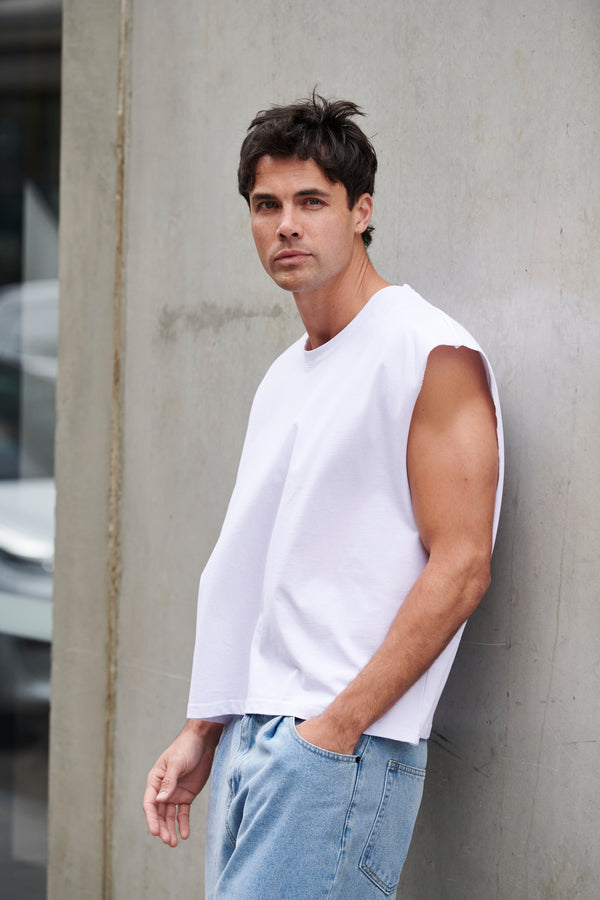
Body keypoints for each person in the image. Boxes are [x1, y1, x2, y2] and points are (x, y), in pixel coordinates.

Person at [143, 93, 504, 899]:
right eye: (266, 205)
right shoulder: (285, 375)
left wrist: (335, 731)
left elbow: (462, 566)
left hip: (340, 750)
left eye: (312, 202)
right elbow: (265, 573)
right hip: (258, 740)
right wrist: (205, 728)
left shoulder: (429, 351)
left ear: (361, 211)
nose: (286, 226)